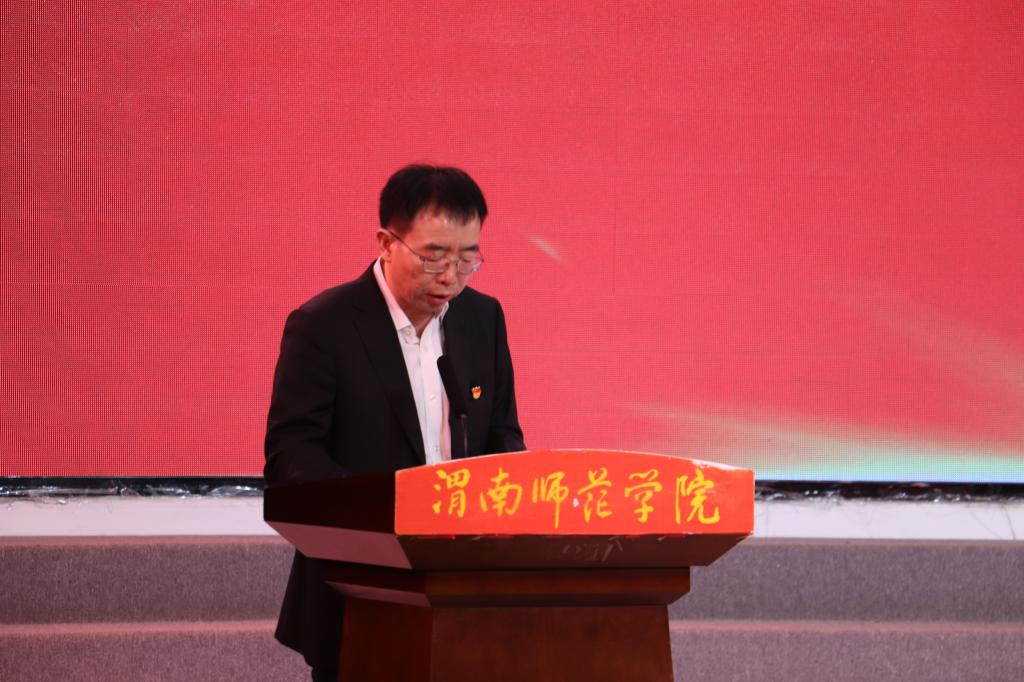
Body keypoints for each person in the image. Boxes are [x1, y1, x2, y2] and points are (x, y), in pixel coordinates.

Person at [263, 164, 526, 680]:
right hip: (359, 589)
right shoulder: (324, 326)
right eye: (433, 257)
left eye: (467, 260)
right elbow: (292, 456)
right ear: (387, 243)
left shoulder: (483, 318)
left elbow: (502, 434)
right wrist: (384, 517)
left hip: (467, 591)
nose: (450, 277)